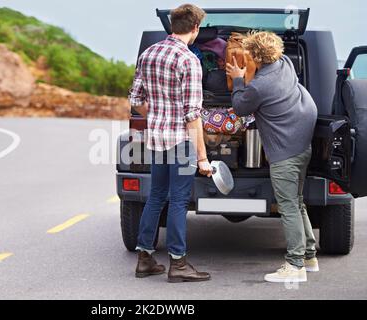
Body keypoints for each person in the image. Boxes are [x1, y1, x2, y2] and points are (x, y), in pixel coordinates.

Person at [128, 4, 212, 283]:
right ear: (195, 28)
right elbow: (192, 116)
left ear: (171, 25)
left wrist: (157, 117)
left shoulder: (148, 53)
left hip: (156, 139)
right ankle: (178, 263)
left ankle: (145, 260)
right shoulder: (188, 60)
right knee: (178, 200)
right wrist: (202, 158)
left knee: (155, 197)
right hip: (181, 142)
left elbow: (136, 100)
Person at [226, 31, 319, 283]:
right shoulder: (285, 64)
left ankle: (295, 265)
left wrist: (237, 80)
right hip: (302, 146)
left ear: (255, 56)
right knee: (297, 203)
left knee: (288, 206)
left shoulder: (259, 86)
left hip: (285, 154)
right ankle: (309, 256)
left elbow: (239, 107)